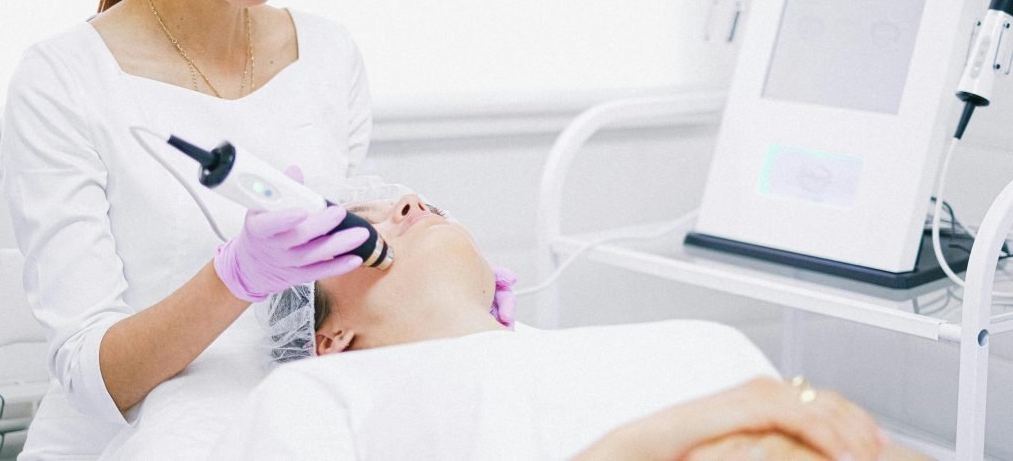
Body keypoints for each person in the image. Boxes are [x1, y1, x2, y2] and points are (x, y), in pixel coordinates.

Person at [0, 0, 511, 457]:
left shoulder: (327, 56)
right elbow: (93, 377)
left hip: (292, 425)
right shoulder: (65, 81)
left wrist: (445, 299)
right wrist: (232, 278)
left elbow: (331, 299)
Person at [213, 194, 925, 461]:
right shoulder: (320, 391)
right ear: (329, 336)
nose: (404, 201)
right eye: (349, 230)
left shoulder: (681, 339)